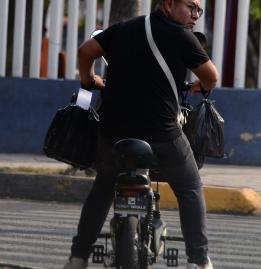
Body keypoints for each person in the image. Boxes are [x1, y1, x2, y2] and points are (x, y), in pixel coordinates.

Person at [63, 0, 218, 268]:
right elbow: (211, 77)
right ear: (169, 4)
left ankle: (78, 258)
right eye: (191, 7)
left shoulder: (124, 28)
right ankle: (198, 261)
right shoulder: (184, 37)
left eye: (198, 11)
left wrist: (89, 80)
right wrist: (198, 87)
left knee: (102, 190)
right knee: (190, 187)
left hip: (113, 135)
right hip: (162, 136)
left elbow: (86, 51)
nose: (195, 15)